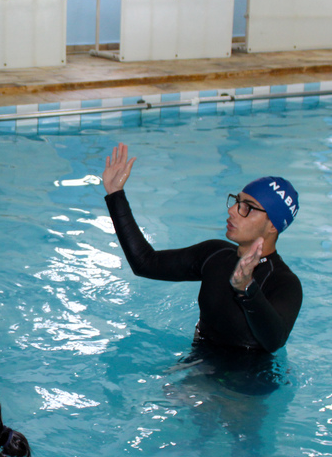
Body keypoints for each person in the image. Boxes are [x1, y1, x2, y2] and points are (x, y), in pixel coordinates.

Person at [101, 142, 302, 353]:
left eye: (247, 207)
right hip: (199, 360)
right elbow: (144, 263)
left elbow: (275, 340)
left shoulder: (284, 283)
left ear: (273, 225)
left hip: (248, 372)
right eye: (237, 201)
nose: (232, 210)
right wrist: (115, 194)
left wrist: (247, 289)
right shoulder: (215, 255)